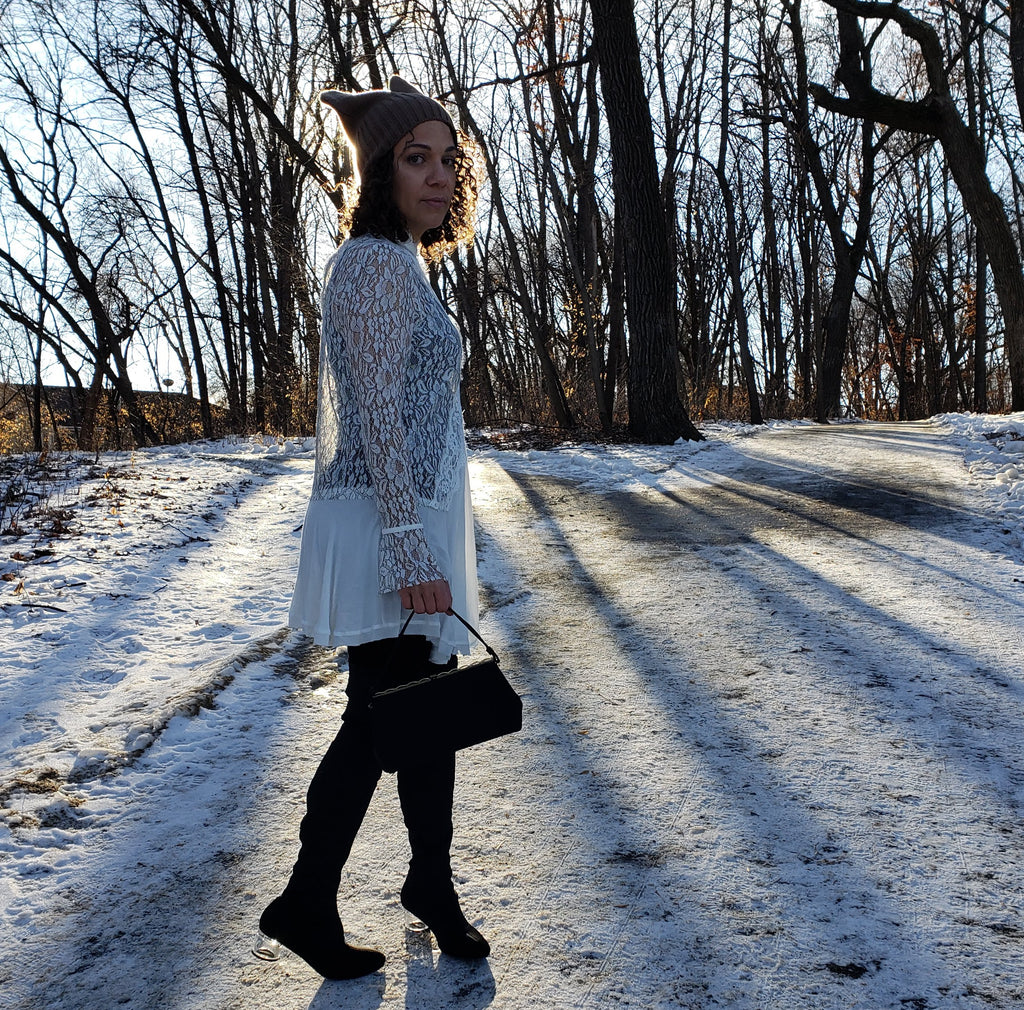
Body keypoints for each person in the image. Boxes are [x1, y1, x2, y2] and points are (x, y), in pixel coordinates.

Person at [254, 76, 486, 980]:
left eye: (446, 159)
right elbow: (376, 415)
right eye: (413, 158)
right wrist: (406, 538)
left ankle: (430, 882)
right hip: (390, 524)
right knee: (377, 719)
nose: (435, 176)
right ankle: (308, 900)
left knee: (423, 716)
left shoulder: (403, 265)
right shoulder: (373, 266)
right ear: (378, 172)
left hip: (410, 516)